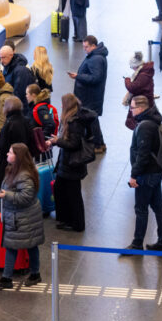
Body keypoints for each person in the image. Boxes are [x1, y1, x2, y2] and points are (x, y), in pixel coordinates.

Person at [0, 143, 44, 289]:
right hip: (18, 216)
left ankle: (32, 274)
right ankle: (9, 277)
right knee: (17, 246)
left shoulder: (23, 175)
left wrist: (6, 194)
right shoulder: (17, 170)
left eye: (10, 152)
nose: (7, 154)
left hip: (23, 217)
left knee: (27, 246)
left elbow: (26, 197)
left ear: (18, 157)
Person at [124, 96, 162, 252]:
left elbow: (142, 154)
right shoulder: (155, 121)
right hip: (156, 171)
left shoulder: (144, 126)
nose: (130, 111)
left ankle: (137, 244)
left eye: (132, 108)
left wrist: (134, 175)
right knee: (158, 207)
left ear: (141, 108)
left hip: (146, 174)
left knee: (141, 209)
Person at [46, 94, 95, 232]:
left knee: (73, 195)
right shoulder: (73, 118)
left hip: (71, 163)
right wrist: (56, 141)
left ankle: (77, 224)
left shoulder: (74, 122)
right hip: (68, 163)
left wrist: (57, 141)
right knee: (61, 190)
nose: (61, 106)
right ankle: (66, 219)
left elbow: (73, 144)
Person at [68, 36, 108, 154]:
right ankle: (93, 141)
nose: (84, 49)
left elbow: (95, 78)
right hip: (91, 95)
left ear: (93, 46)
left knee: (92, 119)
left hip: (90, 96)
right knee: (90, 119)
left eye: (86, 47)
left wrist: (78, 76)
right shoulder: (96, 56)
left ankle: (98, 144)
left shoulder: (95, 59)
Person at [0, 97, 35, 188]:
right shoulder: (27, 121)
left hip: (9, 163)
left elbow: (2, 148)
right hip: (25, 160)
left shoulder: (9, 124)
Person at [123, 52, 155, 130]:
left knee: (140, 128)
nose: (132, 69)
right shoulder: (145, 72)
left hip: (142, 105)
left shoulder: (143, 74)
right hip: (143, 103)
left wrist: (127, 79)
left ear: (136, 66)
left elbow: (132, 87)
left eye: (131, 67)